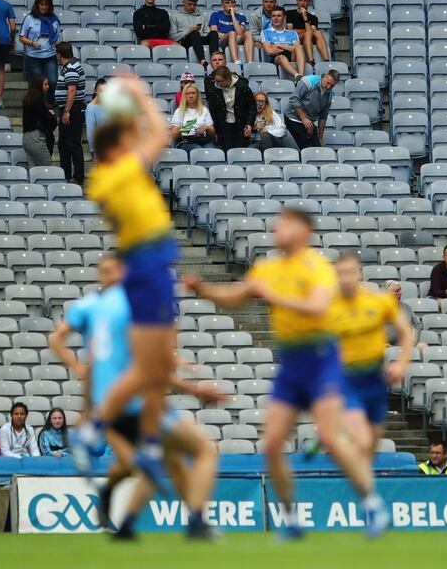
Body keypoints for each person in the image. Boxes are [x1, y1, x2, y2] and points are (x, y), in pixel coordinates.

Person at [184, 209, 386, 540]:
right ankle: (291, 518)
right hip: (291, 362)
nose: (276, 228)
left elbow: (318, 307)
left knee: (332, 439)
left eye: (285, 223)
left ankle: (372, 503)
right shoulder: (268, 267)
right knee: (273, 443)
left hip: (322, 358)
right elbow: (237, 295)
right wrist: (203, 289)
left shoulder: (316, 267)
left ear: (303, 230)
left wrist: (272, 295)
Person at [48, 253, 222, 541]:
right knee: (203, 450)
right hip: (137, 401)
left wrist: (84, 400)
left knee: (159, 462)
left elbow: (82, 356)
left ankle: (130, 521)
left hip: (110, 407)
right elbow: (149, 362)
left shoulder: (90, 307)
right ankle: (195, 521)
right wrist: (192, 387)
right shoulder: (132, 306)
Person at [73, 77, 175, 491]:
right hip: (148, 262)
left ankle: (146, 443)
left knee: (158, 365)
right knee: (152, 365)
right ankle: (92, 430)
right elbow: (162, 133)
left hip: (152, 263)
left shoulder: (106, 178)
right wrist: (141, 95)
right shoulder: (120, 171)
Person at [327, 253, 414, 537]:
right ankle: (373, 505)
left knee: (369, 448)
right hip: (347, 381)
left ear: (360, 274)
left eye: (352, 272)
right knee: (362, 441)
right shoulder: (329, 308)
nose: (347, 278)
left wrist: (401, 362)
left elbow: (404, 332)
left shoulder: (379, 301)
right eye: (342, 273)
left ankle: (367, 499)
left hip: (375, 381)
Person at [53, 41, 86, 185]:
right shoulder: (69, 67)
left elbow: (71, 90)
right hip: (69, 109)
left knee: (72, 143)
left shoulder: (71, 68)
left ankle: (78, 176)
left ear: (59, 54)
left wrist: (67, 111)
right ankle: (65, 174)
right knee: (64, 144)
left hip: (73, 109)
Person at [19, 0, 61, 97]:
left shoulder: (54, 20)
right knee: (37, 85)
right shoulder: (29, 18)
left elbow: (57, 39)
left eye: (46, 5)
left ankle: (49, 105)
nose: (44, 7)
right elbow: (21, 38)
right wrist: (32, 43)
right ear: (37, 5)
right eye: (42, 4)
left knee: (52, 81)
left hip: (50, 56)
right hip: (33, 57)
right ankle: (38, 104)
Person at [204, 66, 254, 151]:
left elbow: (252, 106)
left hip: (241, 123)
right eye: (216, 81)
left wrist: (249, 123)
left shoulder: (242, 87)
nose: (218, 83)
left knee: (240, 150)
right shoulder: (213, 90)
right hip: (224, 125)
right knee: (227, 150)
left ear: (228, 78)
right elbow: (213, 111)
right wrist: (216, 131)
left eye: (220, 81)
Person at [284, 70, 337, 148]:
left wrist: (320, 137)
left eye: (332, 85)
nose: (329, 87)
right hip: (293, 117)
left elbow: (323, 117)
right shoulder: (309, 81)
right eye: (328, 83)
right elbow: (294, 99)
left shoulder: (330, 95)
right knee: (307, 147)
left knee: (318, 148)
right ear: (324, 77)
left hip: (309, 122)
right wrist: (304, 119)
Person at [169, 0, 212, 70]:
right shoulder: (175, 16)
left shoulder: (202, 16)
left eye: (194, 4)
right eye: (190, 4)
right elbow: (172, 37)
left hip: (199, 39)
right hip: (185, 41)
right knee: (194, 33)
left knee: (214, 33)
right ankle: (202, 60)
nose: (192, 7)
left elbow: (207, 33)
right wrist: (189, 30)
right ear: (183, 1)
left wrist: (200, 33)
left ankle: (214, 57)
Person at [21, 74, 56, 168]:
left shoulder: (27, 99)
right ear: (38, 85)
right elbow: (44, 120)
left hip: (26, 137)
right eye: (45, 84)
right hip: (36, 137)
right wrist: (52, 115)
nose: (48, 86)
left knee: (34, 171)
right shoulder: (38, 101)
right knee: (48, 169)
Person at [209, 0, 253, 65]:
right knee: (232, 33)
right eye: (227, 2)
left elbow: (240, 33)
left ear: (235, 3)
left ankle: (250, 62)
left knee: (248, 33)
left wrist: (232, 15)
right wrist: (229, 35)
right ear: (222, 4)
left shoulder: (241, 17)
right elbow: (214, 33)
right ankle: (236, 61)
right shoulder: (215, 15)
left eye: (232, 2)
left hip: (237, 38)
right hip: (222, 40)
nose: (230, 5)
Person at [261, 6, 305, 79]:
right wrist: (289, 48)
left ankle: (301, 76)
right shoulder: (266, 32)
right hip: (276, 59)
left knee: (299, 47)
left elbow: (297, 49)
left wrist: (278, 45)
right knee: (281, 57)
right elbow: (269, 51)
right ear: (271, 18)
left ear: (284, 17)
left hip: (292, 56)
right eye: (273, 16)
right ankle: (297, 76)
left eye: (279, 16)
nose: (276, 18)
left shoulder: (292, 33)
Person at [171, 82, 215, 152]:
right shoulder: (179, 111)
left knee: (212, 150)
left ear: (197, 95)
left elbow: (213, 132)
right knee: (198, 150)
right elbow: (174, 135)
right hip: (186, 141)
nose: (191, 96)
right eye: (188, 93)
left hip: (203, 139)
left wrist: (207, 127)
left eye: (193, 93)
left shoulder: (204, 110)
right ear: (184, 96)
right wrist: (186, 128)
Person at [381, 280, 425, 350]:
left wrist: (413, 342)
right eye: (397, 291)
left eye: (400, 290)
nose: (400, 293)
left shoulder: (406, 307)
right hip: (385, 344)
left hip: (405, 343)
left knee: (422, 346)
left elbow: (416, 325)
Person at [287, 0, 329, 64]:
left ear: (309, 2)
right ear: (297, 1)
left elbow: (313, 32)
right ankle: (311, 61)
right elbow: (290, 32)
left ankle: (326, 60)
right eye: (300, 0)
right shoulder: (289, 14)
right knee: (309, 32)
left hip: (309, 39)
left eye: (305, 1)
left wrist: (305, 17)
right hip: (295, 39)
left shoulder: (313, 18)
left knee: (317, 32)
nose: (302, 3)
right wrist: (306, 31)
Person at [85, 78, 109, 160]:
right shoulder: (91, 108)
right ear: (95, 91)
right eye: (101, 91)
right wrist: (94, 151)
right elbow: (90, 132)